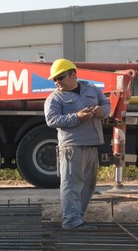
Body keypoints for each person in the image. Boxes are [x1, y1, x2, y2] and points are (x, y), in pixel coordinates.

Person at [44, 58, 111, 230]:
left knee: (88, 184)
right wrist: (77, 117)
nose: (57, 82)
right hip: (72, 147)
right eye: (55, 79)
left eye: (60, 77)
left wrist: (101, 111)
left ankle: (78, 218)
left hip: (91, 144)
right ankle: (71, 221)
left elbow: (106, 103)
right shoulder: (55, 98)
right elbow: (52, 120)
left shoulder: (91, 89)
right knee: (71, 184)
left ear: (73, 74)